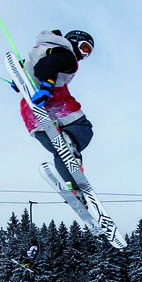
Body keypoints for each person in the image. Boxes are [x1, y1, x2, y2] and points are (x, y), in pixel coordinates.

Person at [19, 29, 95, 187]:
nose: (83, 55)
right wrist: (47, 86)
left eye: (88, 52)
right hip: (60, 108)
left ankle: (73, 186)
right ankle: (70, 140)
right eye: (84, 48)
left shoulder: (39, 50)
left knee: (61, 152)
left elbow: (35, 70)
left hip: (33, 117)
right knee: (84, 130)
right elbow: (48, 65)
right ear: (73, 41)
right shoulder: (67, 54)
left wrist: (20, 80)